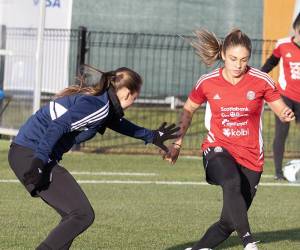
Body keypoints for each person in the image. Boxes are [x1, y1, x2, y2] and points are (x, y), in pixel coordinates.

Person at [8, 65, 179, 250]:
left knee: (73, 217)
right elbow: (59, 125)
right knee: (81, 215)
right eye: (136, 97)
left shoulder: (101, 103)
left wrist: (151, 136)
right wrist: (39, 160)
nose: (134, 102)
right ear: (128, 93)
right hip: (31, 155)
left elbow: (119, 123)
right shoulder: (99, 106)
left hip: (27, 153)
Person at [163, 29, 295, 250]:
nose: (238, 65)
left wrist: (285, 113)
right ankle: (249, 241)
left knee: (228, 222)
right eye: (233, 59)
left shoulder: (261, 80)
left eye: (243, 60)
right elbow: (188, 109)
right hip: (217, 149)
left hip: (251, 157)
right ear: (223, 54)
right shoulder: (207, 82)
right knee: (231, 181)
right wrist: (177, 142)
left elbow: (279, 107)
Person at [261, 13, 300, 180]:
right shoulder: (283, 44)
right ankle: (278, 172)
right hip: (285, 97)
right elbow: (271, 63)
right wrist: (258, 78)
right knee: (281, 134)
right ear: (296, 28)